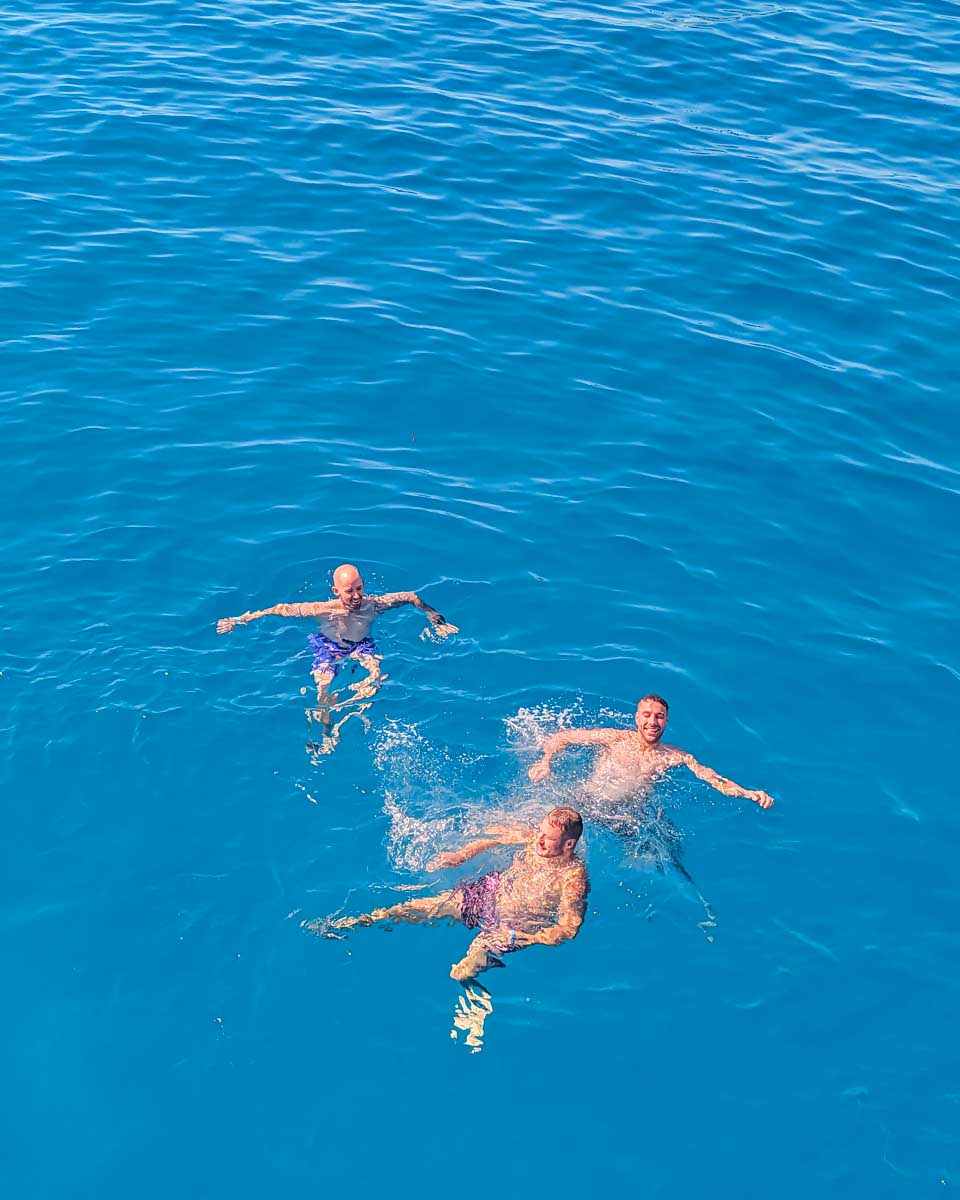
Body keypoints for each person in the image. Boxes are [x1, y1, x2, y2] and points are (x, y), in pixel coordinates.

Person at [306, 807, 588, 982]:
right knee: (420, 907)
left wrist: (534, 938)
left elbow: (569, 928)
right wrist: (461, 855)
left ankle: (470, 985)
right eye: (540, 831)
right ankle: (362, 921)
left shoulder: (573, 877)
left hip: (515, 925)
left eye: (547, 838)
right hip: (489, 894)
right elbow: (493, 837)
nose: (537, 840)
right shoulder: (532, 839)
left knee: (465, 968)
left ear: (569, 844)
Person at [216, 563, 458, 750]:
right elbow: (279, 609)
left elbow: (410, 596)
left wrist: (434, 618)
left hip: (361, 645)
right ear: (336, 591)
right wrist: (238, 620)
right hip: (329, 648)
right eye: (349, 591)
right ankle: (326, 736)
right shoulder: (324, 609)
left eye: (359, 589)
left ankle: (352, 708)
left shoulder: (374, 605)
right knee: (323, 694)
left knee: (376, 677)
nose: (356, 596)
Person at [528, 693, 775, 809]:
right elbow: (563, 737)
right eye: (647, 715)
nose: (652, 722)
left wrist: (747, 793)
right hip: (585, 801)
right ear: (636, 718)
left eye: (659, 717)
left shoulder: (675, 756)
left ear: (666, 721)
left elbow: (712, 778)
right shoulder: (613, 738)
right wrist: (546, 760)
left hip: (626, 815)